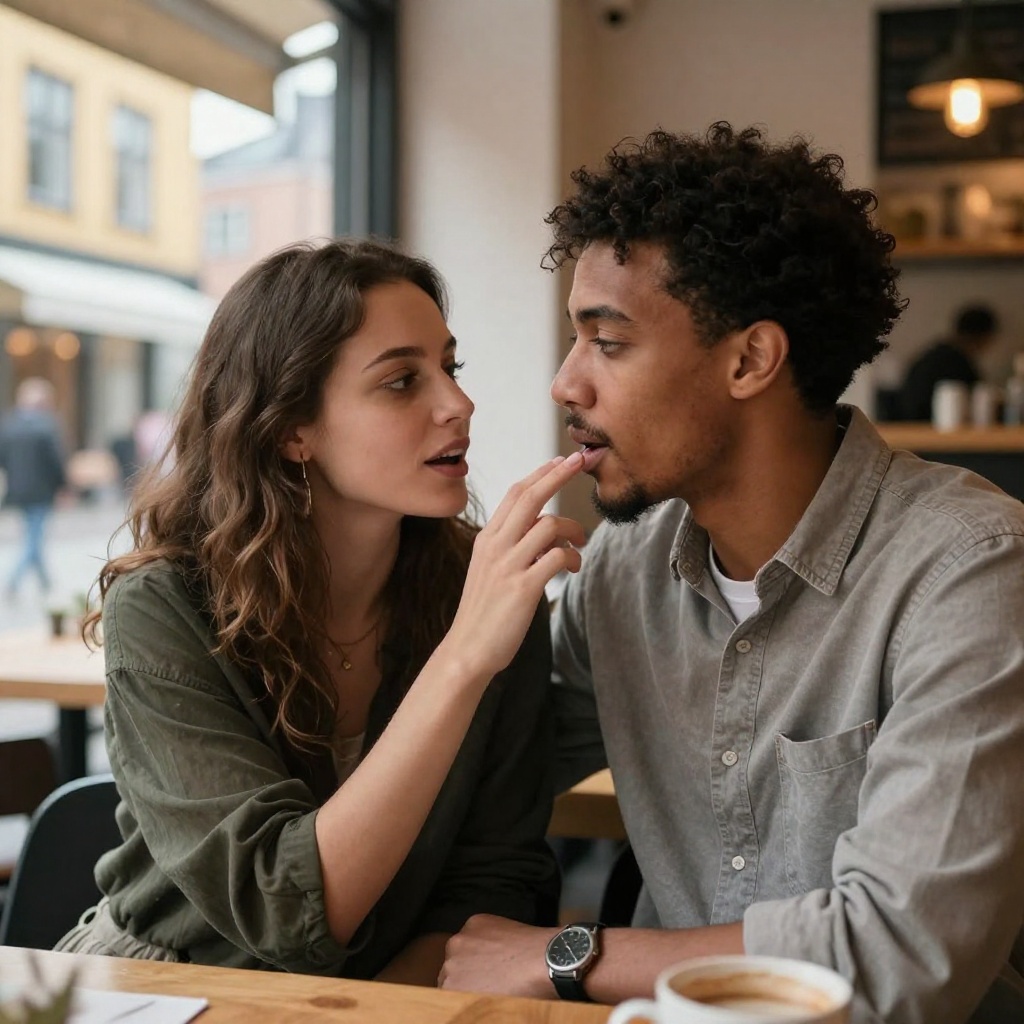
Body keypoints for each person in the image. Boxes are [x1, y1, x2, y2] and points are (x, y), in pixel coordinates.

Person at [439, 124, 1024, 1024]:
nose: (565, 383)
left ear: (750, 359)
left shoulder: (971, 569)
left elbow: (904, 955)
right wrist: (462, 634)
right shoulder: (623, 571)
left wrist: (568, 955)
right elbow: (482, 782)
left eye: (609, 341)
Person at [55, 239, 588, 981]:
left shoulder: (487, 587)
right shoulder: (166, 605)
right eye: (402, 381)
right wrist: (464, 659)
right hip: (171, 985)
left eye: (450, 367)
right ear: (289, 429)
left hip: (397, 991)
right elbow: (281, 906)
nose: (457, 404)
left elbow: (494, 880)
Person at [0, 376, 66, 598]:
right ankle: (14, 580)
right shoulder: (47, 426)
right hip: (41, 491)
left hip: (18, 491)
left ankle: (45, 581)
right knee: (33, 538)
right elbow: (56, 462)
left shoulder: (9, 425)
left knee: (33, 533)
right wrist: (63, 486)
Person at [896, 304, 998, 421]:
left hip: (910, 426)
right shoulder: (959, 363)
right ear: (984, 337)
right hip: (937, 428)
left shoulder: (930, 355)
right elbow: (977, 398)